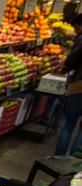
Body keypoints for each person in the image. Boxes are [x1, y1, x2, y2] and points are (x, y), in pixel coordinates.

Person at [53, 14, 82, 158]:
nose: (75, 30)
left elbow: (73, 59)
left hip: (79, 86)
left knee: (68, 124)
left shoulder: (81, 39)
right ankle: (72, 161)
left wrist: (64, 67)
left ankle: (58, 158)